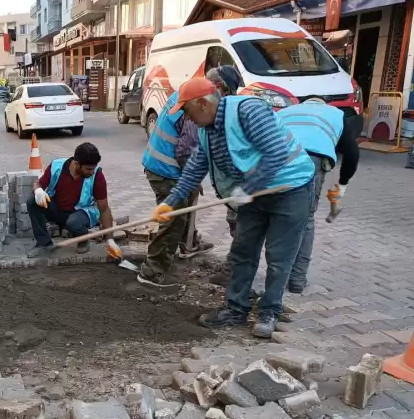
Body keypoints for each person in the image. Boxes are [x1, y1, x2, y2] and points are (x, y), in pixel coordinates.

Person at [151, 77, 315, 338]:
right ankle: (236, 309)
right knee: (243, 250)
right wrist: (170, 202)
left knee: (278, 256)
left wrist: (245, 190)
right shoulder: (207, 129)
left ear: (203, 103)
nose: (186, 118)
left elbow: (275, 153)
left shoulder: (249, 111)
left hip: (289, 189)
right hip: (254, 192)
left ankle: (269, 312)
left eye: (186, 110)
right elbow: (195, 167)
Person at [138, 65, 243, 288]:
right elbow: (187, 151)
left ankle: (188, 244)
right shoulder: (196, 107)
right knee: (174, 218)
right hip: (165, 169)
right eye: (228, 93)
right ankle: (152, 270)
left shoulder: (187, 93)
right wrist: (191, 181)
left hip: (162, 165)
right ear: (219, 88)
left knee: (183, 207)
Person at [281, 104, 362, 293]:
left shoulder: (287, 111)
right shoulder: (336, 115)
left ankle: (246, 275)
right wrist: (341, 186)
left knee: (270, 215)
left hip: (274, 158)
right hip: (311, 159)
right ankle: (296, 281)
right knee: (306, 219)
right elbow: (352, 153)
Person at [27, 142, 121, 259]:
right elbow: (39, 183)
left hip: (81, 213)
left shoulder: (97, 176)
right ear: (77, 164)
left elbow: (104, 209)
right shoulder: (57, 166)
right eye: (88, 169)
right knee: (32, 201)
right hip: (57, 210)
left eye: (93, 168)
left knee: (74, 223)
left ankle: (83, 239)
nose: (92, 172)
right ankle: (43, 244)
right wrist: (38, 191)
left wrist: (110, 240)